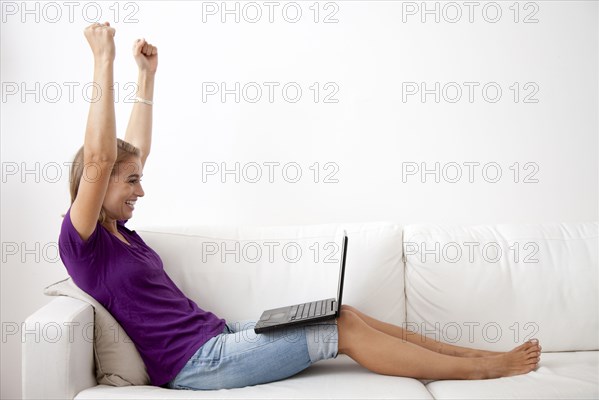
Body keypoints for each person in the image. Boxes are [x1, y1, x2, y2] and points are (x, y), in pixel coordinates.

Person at [58, 22, 542, 391]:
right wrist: (104, 59)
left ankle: (476, 356)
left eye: (140, 181)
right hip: (196, 363)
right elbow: (103, 157)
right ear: (95, 187)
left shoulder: (122, 233)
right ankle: (484, 371)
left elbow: (129, 153)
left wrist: (146, 77)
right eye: (132, 183)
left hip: (221, 334)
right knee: (343, 328)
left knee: (342, 310)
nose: (141, 190)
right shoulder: (83, 245)